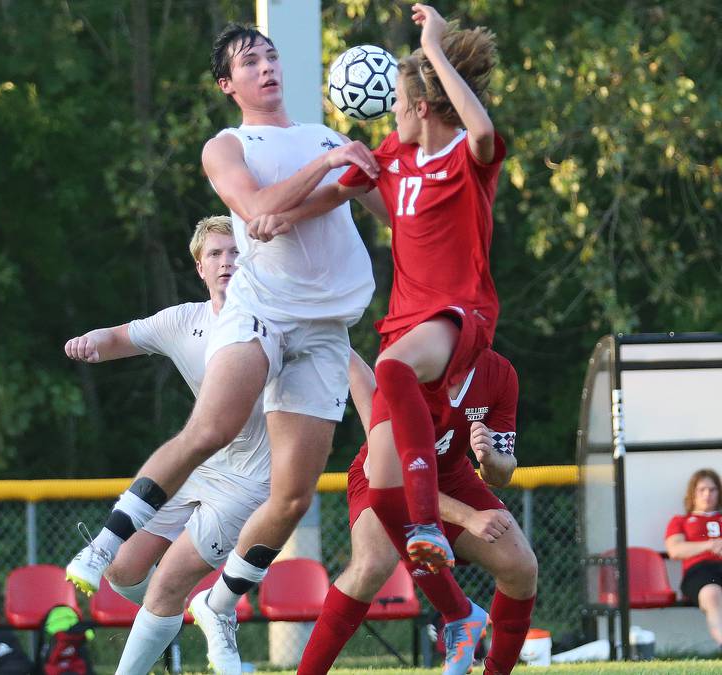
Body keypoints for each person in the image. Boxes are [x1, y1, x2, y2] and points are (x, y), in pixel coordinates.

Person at [66, 21, 387, 675]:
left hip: (322, 329)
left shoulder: (326, 137)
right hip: (265, 316)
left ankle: (218, 605)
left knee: (295, 500)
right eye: (250, 60)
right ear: (227, 84)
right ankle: (105, 550)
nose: (267, 65)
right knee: (203, 436)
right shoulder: (228, 145)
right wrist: (322, 171)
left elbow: (353, 206)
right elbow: (258, 204)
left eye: (271, 54)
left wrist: (371, 174)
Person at [249, 3, 505, 577]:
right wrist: (285, 218)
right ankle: (457, 612)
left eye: (395, 102)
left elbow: (482, 129)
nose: (387, 113)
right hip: (407, 322)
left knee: (390, 370)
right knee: (380, 488)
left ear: (418, 105)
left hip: (460, 314)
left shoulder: (466, 156)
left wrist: (434, 48)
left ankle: (425, 523)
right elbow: (341, 192)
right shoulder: (394, 156)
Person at [64, 216, 272, 673]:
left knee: (165, 588)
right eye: (215, 254)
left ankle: (173, 613)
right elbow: (119, 337)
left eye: (235, 252)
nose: (226, 262)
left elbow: (341, 360)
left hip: (251, 480)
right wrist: (91, 343)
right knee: (122, 569)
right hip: (199, 463)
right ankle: (182, 613)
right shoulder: (184, 321)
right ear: (199, 267)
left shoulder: (275, 320)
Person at [298, 348, 537, 675]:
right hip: (386, 476)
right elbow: (401, 484)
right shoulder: (412, 360)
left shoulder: (500, 373)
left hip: (453, 477)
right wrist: (468, 517)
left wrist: (492, 460)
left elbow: (503, 474)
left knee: (521, 567)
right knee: (371, 566)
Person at [665, 468, 722, 648]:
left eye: (712, 490)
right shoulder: (681, 521)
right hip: (699, 571)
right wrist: (709, 545)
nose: (707, 495)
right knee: (712, 594)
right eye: (702, 490)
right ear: (693, 493)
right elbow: (675, 550)